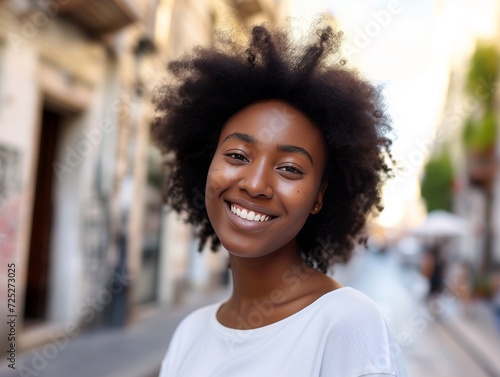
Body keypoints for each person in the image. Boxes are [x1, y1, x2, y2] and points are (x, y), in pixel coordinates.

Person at [153, 22, 407, 377]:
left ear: (319, 197)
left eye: (289, 168)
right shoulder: (190, 333)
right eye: (238, 156)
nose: (256, 184)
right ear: (207, 164)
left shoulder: (345, 322)